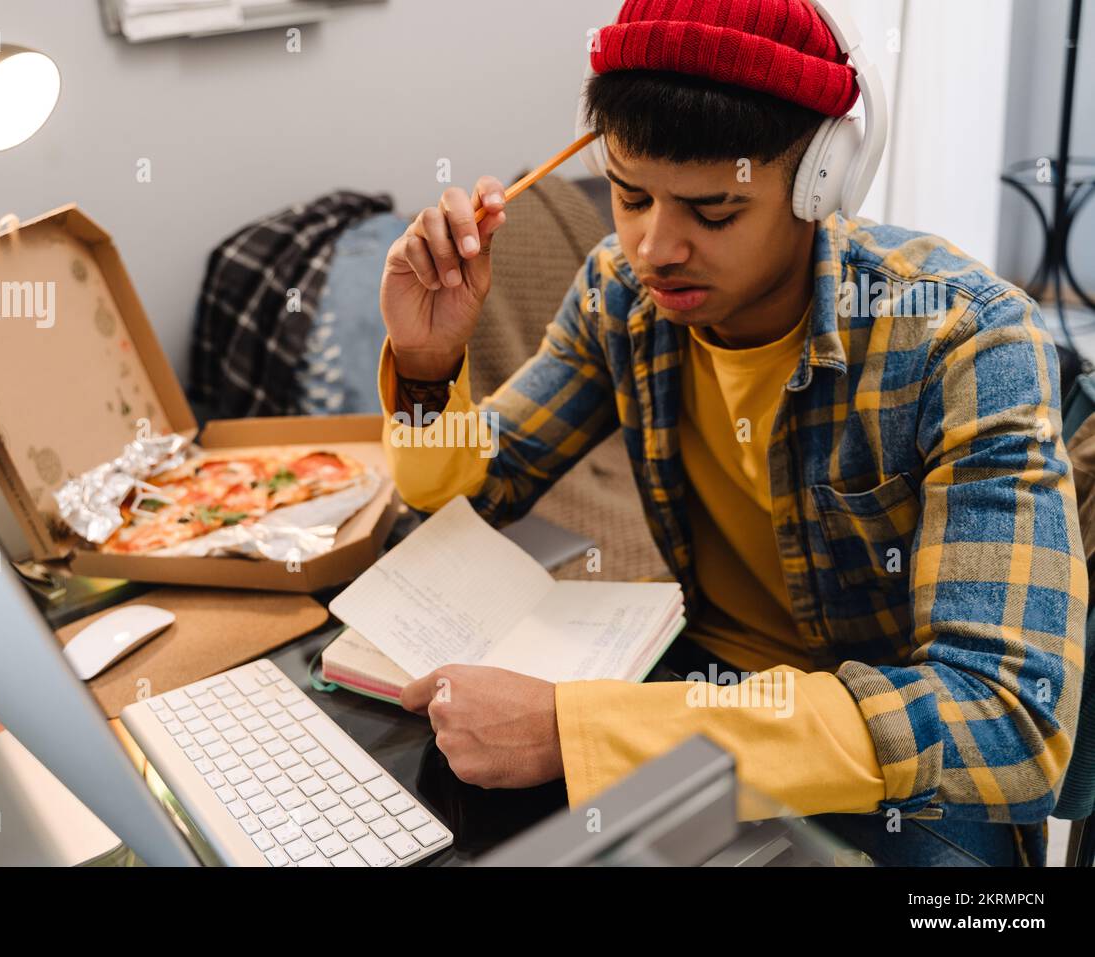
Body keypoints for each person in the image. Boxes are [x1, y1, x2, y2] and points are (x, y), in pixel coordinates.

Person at [376, 0, 1086, 867]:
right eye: (629, 194)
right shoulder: (618, 293)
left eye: (712, 213)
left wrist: (584, 730)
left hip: (909, 780)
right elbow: (478, 490)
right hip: (691, 686)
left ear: (822, 181)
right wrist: (424, 364)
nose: (653, 247)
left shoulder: (965, 338)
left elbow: (1006, 721)